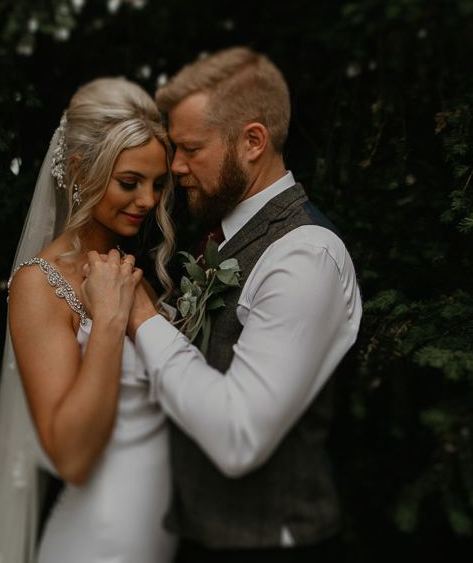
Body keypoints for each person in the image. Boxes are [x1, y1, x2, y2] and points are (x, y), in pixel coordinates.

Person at [123, 46, 363, 562]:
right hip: (204, 534)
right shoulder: (232, 237)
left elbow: (239, 439)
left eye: (190, 148)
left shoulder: (304, 257)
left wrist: (143, 318)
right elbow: (216, 353)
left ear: (253, 141)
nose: (177, 167)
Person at [0, 77, 179, 562]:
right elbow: (70, 456)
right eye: (130, 182)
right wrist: (110, 323)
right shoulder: (39, 285)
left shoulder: (130, 272)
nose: (149, 201)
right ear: (79, 170)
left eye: (158, 184)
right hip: (97, 544)